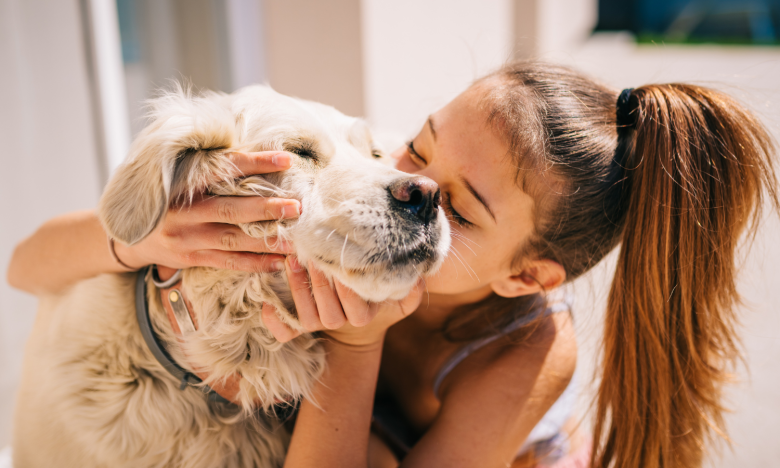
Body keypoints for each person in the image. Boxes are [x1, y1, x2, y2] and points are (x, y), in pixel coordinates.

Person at [7, 61, 778, 468]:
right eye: (415, 145)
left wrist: (356, 344)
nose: (406, 186)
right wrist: (143, 242)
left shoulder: (529, 347)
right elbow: (26, 265)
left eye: (462, 208)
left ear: (526, 276)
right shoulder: (349, 208)